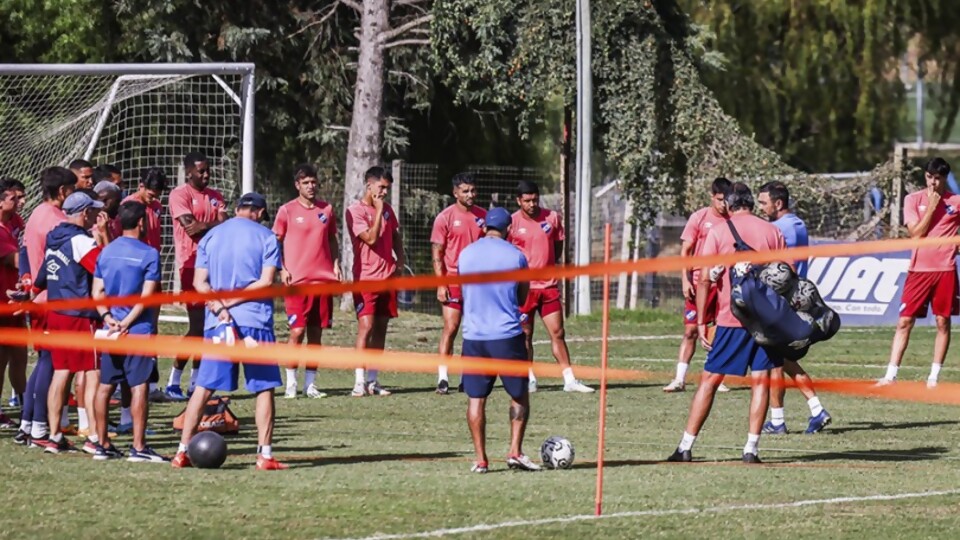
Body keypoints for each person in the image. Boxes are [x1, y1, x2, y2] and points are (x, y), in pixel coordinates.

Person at [667, 182, 786, 464]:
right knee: (761, 382)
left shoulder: (719, 232)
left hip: (731, 319)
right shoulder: (773, 231)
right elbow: (785, 276)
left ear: (730, 206)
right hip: (766, 321)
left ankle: (685, 446)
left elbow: (705, 279)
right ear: (751, 205)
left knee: (709, 380)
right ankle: (751, 449)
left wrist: (701, 321)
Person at [172, 193, 286, 470]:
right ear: (258, 212)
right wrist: (232, 301)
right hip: (255, 321)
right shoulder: (267, 237)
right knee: (264, 389)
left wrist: (217, 304)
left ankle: (181, 452)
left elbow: (200, 282)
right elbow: (266, 281)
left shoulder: (212, 236)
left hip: (217, 323)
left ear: (237, 210)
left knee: (203, 387)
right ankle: (265, 456)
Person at [459, 207, 539, 472]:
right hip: (506, 336)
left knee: (476, 399)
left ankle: (481, 459)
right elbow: (524, 296)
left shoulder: (466, 254)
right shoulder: (516, 256)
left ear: (484, 227)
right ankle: (515, 451)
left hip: (474, 337)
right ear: (509, 229)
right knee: (519, 395)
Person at [91, 201, 167, 462]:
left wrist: (108, 318)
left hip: (110, 330)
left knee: (104, 387)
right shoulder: (150, 253)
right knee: (139, 388)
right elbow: (146, 297)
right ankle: (139, 447)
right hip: (137, 330)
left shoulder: (106, 252)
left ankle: (101, 444)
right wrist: (128, 322)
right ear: (141, 223)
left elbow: (96, 292)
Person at [34, 190, 107, 454]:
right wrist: (102, 238)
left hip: (56, 311)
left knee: (61, 372)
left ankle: (54, 436)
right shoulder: (80, 240)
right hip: (79, 314)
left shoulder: (54, 238)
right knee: (92, 372)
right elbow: (103, 269)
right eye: (92, 211)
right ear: (84, 212)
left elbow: (42, 278)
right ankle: (95, 437)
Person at [757, 181, 831, 434]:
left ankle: (780, 420)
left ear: (778, 203)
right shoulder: (797, 224)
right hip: (797, 300)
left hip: (781, 303)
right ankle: (814, 409)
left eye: (764, 203)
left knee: (775, 362)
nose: (761, 208)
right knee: (784, 362)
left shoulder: (777, 228)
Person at [879, 157, 960, 388]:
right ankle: (890, 375)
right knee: (904, 322)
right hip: (919, 270)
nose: (933, 182)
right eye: (929, 177)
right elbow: (916, 233)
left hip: (945, 269)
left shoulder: (956, 201)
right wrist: (933, 206)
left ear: (944, 178)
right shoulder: (913, 199)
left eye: (937, 178)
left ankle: (933, 377)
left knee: (942, 322)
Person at [13, 167, 76, 447]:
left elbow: (25, 252)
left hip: (37, 299)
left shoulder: (36, 214)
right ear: (63, 191)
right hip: (51, 300)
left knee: (44, 362)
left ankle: (27, 423)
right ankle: (39, 428)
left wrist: (27, 281)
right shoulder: (57, 221)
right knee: (50, 364)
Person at [510, 180, 593, 393]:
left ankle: (569, 380)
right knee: (525, 334)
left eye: (535, 199)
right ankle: (529, 377)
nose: (531, 204)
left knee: (558, 332)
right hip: (524, 289)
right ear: (519, 201)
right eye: (527, 201)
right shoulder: (512, 223)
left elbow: (557, 248)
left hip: (548, 287)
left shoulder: (552, 218)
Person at [274, 164, 340, 399]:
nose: (310, 186)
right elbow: (275, 242)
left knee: (315, 333)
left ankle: (310, 384)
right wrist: (282, 268)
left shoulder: (327, 209)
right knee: (297, 331)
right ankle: (290, 382)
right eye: (306, 183)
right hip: (296, 282)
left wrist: (335, 264)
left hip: (321, 281)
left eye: (313, 182)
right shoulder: (287, 211)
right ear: (297, 185)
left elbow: (332, 238)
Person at [166, 152, 227, 400]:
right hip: (191, 266)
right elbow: (191, 228)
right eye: (201, 171)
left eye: (207, 170)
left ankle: (195, 383)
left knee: (208, 329)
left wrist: (206, 226)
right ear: (189, 172)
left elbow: (224, 223)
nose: (206, 175)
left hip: (214, 267)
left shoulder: (216, 196)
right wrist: (212, 225)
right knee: (197, 328)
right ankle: (173, 381)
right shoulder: (179, 195)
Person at [664, 178, 732, 393]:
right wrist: (685, 279)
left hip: (721, 285)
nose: (724, 205)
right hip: (697, 283)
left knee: (720, 331)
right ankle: (679, 379)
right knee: (691, 331)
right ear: (712, 197)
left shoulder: (733, 220)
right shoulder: (700, 217)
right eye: (720, 200)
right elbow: (686, 251)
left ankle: (714, 377)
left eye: (727, 200)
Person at [346, 166, 405, 397]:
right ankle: (359, 381)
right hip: (366, 278)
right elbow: (370, 239)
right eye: (380, 187)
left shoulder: (388, 210)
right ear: (368, 185)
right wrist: (379, 211)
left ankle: (373, 380)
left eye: (387, 189)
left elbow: (395, 235)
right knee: (366, 327)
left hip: (387, 278)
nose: (384, 193)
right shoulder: (356, 211)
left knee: (381, 329)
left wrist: (399, 259)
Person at [430, 173, 486, 394]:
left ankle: (467, 377)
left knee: (472, 331)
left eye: (473, 190)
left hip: (477, 284)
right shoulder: (444, 218)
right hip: (453, 279)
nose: (470, 194)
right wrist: (441, 283)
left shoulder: (484, 216)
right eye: (465, 191)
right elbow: (437, 252)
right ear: (455, 193)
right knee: (451, 328)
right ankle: (443, 378)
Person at [123, 167, 169, 403]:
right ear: (140, 185)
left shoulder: (157, 207)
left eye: (157, 194)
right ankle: (129, 384)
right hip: (134, 274)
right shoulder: (128, 206)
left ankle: (150, 385)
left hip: (153, 271)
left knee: (151, 327)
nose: (154, 198)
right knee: (133, 327)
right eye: (150, 194)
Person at [0, 180, 25, 429]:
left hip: (13, 299)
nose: (20, 203)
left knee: (18, 356)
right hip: (2, 302)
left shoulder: (15, 223)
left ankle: (28, 406)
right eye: (14, 198)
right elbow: (15, 259)